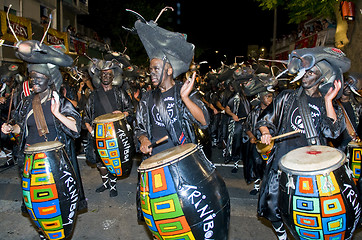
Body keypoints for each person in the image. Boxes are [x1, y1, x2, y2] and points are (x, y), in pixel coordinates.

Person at [256, 47, 349, 240]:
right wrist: (265, 132)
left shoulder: (326, 103)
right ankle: (282, 235)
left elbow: (332, 131)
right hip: (282, 162)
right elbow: (266, 119)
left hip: (312, 168)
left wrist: (329, 100)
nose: (305, 75)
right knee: (272, 207)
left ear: (321, 78)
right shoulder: (286, 97)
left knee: (309, 214)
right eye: (304, 72)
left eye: (311, 72)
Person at [1, 40, 85, 239]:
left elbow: (76, 128)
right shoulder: (26, 102)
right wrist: (10, 128)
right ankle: (43, 233)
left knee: (60, 205)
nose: (34, 83)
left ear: (49, 79)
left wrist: (57, 113)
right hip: (32, 162)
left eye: (39, 79)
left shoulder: (59, 101)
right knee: (38, 206)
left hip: (56, 164)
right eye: (32, 79)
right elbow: (21, 126)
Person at [132, 17, 209, 156]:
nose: (152, 73)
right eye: (150, 70)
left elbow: (204, 121)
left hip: (182, 157)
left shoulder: (184, 91)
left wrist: (185, 98)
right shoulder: (148, 97)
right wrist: (143, 140)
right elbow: (139, 127)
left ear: (169, 70)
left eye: (156, 69)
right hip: (155, 158)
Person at [83, 59, 134, 197]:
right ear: (99, 76)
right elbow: (86, 117)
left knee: (113, 160)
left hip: (115, 134)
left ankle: (113, 185)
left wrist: (123, 113)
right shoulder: (93, 95)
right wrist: (91, 131)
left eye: (109, 74)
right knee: (101, 163)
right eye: (103, 74)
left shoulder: (119, 93)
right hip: (98, 135)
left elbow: (131, 108)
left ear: (113, 77)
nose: (106, 76)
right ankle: (105, 183)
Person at [245, 90, 274, 195]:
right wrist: (251, 136)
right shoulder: (254, 113)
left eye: (271, 97)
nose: (270, 99)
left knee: (270, 167)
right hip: (258, 144)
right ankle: (257, 186)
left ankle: (270, 188)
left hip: (272, 145)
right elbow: (247, 127)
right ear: (261, 98)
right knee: (256, 164)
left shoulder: (275, 113)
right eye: (267, 96)